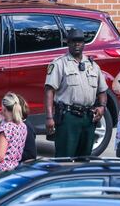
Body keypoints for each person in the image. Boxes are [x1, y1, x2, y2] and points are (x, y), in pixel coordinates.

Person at [44, 28, 108, 157]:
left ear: (84, 44)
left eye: (79, 41)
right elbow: (49, 90)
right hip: (68, 117)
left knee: (84, 158)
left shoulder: (93, 65)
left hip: (88, 117)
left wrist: (102, 107)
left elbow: (102, 90)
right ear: (68, 43)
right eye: (73, 41)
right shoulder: (59, 64)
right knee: (64, 158)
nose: (77, 44)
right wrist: (50, 117)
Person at [0, 92, 27, 176]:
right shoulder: (22, 126)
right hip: (14, 169)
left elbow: (0, 155)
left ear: (4, 109)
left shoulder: (6, 128)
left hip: (0, 172)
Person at [17, 94, 37, 162]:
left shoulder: (26, 127)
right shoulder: (7, 125)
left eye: (6, 110)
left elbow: (31, 155)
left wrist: (10, 152)